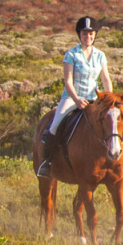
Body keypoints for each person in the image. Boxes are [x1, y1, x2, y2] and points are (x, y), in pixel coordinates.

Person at [36, 15, 117, 177]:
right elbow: (68, 81)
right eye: (85, 34)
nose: (88, 37)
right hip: (72, 97)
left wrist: (110, 99)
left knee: (119, 121)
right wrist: (77, 100)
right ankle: (47, 162)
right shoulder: (71, 55)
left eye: (91, 33)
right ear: (79, 35)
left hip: (95, 98)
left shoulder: (100, 55)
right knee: (54, 126)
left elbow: (105, 78)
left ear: (95, 35)